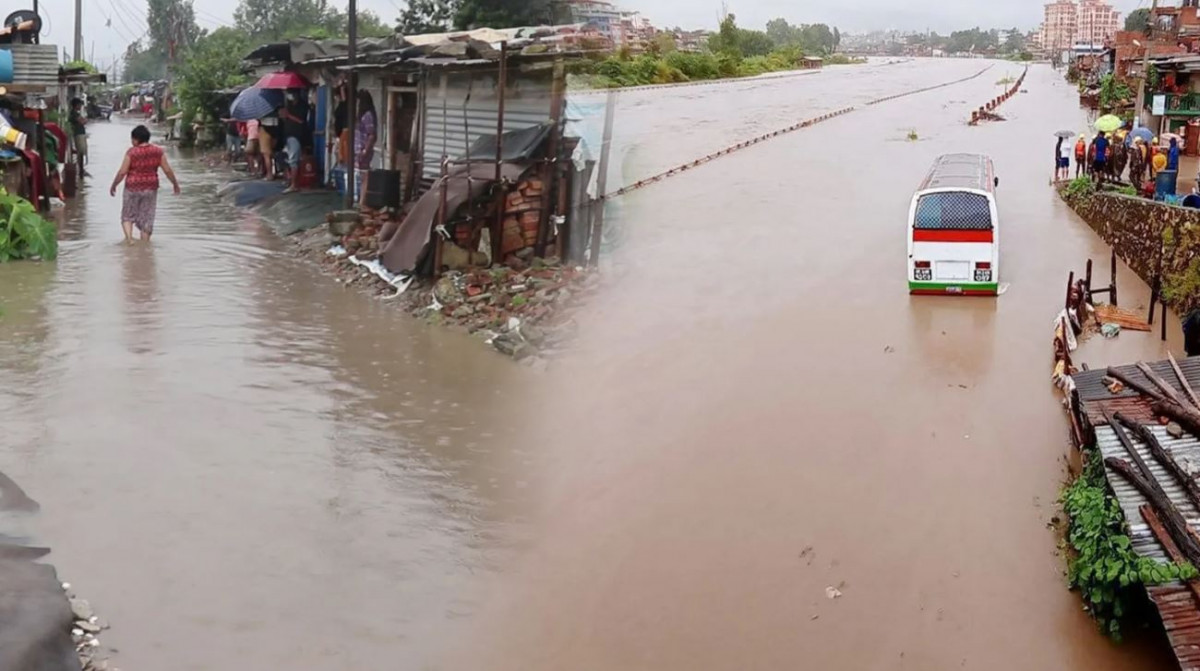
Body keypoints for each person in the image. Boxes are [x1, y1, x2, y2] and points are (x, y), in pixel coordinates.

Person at [109, 125, 180, 243]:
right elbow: (167, 170)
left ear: (136, 139)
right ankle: (145, 245)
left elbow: (122, 172)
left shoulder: (132, 152)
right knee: (147, 218)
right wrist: (175, 184)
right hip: (150, 188)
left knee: (127, 215)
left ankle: (129, 239)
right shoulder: (158, 151)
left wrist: (114, 185)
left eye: (132, 139)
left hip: (132, 187)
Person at [280, 91, 308, 191]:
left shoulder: (302, 106)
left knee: (293, 160)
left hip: (296, 136)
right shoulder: (289, 106)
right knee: (286, 159)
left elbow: (301, 121)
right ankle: (290, 180)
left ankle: (294, 185)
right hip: (287, 135)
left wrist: (288, 115)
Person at [354, 89, 377, 205]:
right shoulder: (361, 114)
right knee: (360, 176)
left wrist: (365, 151)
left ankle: (362, 201)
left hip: (364, 150)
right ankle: (360, 200)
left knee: (364, 176)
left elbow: (371, 135)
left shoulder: (367, 115)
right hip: (359, 149)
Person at [69, 98, 88, 177]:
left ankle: (81, 170)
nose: (80, 106)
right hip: (78, 134)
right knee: (81, 152)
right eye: (79, 104)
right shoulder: (74, 113)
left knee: (81, 152)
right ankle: (81, 170)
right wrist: (84, 120)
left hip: (80, 134)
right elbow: (83, 121)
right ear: (76, 105)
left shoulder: (76, 113)